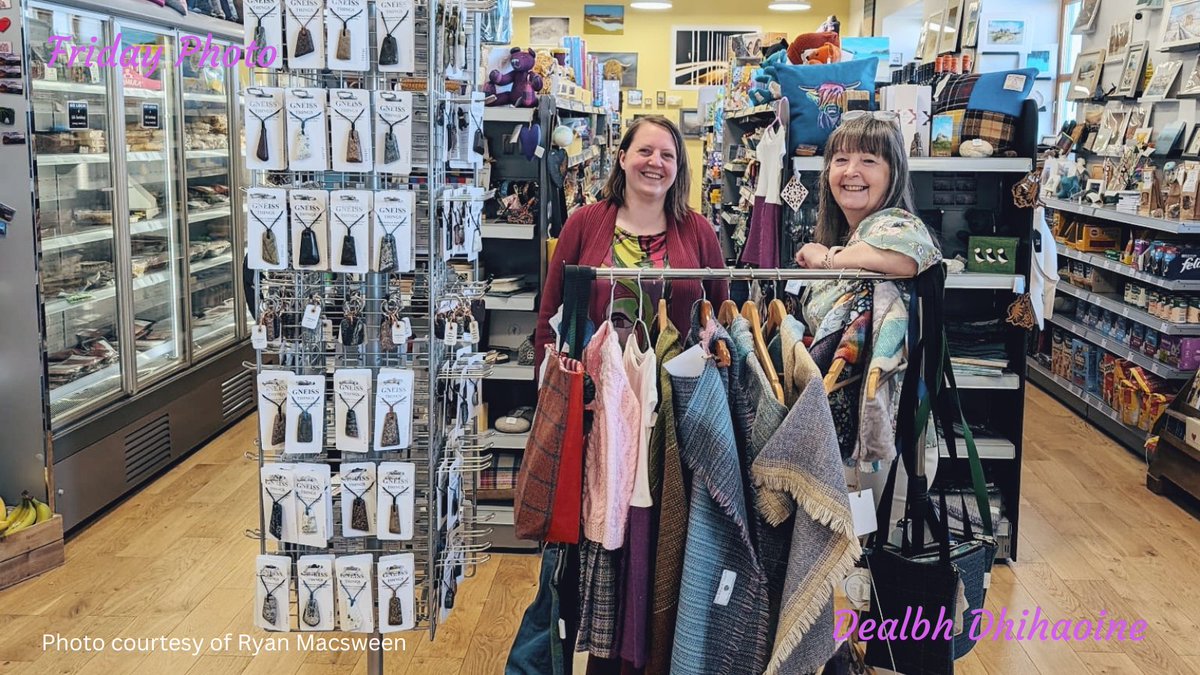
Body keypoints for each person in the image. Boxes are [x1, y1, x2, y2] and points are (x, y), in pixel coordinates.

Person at [793, 111, 943, 533]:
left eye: (868, 161)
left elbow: (907, 258)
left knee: (883, 567)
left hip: (886, 441)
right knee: (863, 567)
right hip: (857, 440)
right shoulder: (853, 236)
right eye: (840, 160)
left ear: (893, 173)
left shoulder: (896, 225)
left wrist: (827, 258)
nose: (851, 172)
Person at [534, 115, 728, 364]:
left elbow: (721, 312)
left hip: (680, 391)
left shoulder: (699, 230)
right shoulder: (583, 224)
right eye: (645, 151)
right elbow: (550, 312)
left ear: (677, 167)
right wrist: (545, 380)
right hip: (594, 390)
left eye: (667, 155)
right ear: (623, 158)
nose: (655, 161)